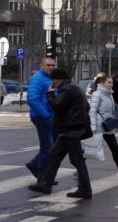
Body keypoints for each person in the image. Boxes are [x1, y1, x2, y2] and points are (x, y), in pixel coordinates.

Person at [28, 68, 92, 199]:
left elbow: (57, 106)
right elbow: (86, 106)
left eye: (54, 80)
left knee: (77, 160)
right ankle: (46, 184)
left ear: (60, 79)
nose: (52, 83)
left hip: (71, 130)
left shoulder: (68, 89)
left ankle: (85, 189)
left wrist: (50, 94)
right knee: (54, 155)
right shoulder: (73, 88)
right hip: (69, 129)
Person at [26, 58, 56, 184]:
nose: (51, 67)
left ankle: (35, 165)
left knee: (52, 146)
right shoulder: (37, 78)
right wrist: (45, 115)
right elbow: (32, 99)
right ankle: (43, 177)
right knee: (47, 147)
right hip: (42, 116)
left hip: (51, 116)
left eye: (53, 65)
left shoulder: (50, 78)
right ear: (42, 66)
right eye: (48, 65)